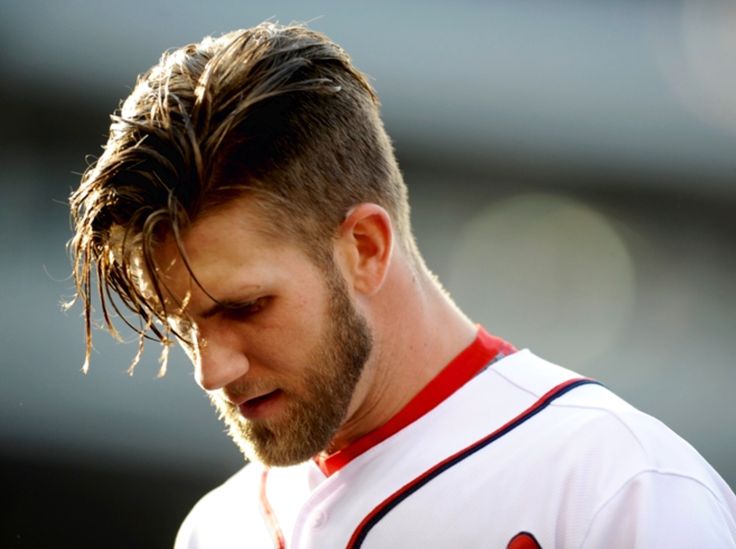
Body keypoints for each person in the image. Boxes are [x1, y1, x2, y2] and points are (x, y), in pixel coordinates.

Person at [67, 22, 736, 548]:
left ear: (365, 247)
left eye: (244, 307)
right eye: (184, 325)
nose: (212, 369)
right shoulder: (216, 530)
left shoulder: (620, 485)